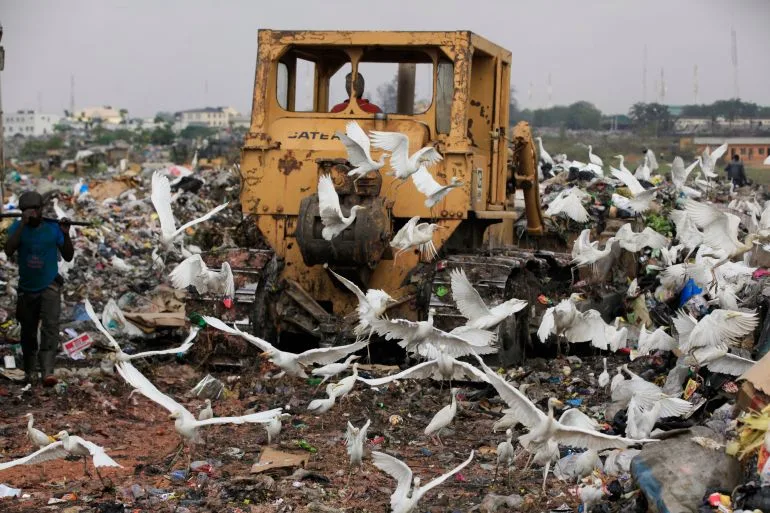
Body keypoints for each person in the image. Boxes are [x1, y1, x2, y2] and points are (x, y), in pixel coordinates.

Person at [4, 191, 73, 386]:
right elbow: (9, 250)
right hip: (27, 289)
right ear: (22, 213)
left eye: (34, 210)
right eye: (27, 212)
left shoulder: (53, 228)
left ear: (41, 210)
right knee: (28, 331)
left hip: (50, 285)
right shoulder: (17, 228)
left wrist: (66, 235)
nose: (32, 215)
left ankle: (47, 371)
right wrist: (23, 224)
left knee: (50, 328)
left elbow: (68, 256)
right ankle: (29, 371)